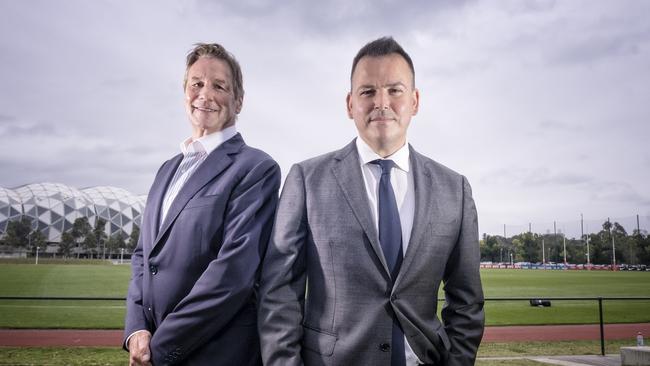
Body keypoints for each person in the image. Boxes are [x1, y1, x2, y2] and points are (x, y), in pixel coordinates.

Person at [258, 37, 484, 366]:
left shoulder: (455, 190)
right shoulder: (307, 180)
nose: (381, 102)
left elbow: (467, 302)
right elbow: (279, 294)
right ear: (350, 104)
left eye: (395, 90)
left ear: (415, 100)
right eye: (368, 92)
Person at [124, 43, 280, 366]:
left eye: (219, 86)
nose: (205, 95)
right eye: (196, 84)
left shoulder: (256, 169)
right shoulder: (167, 169)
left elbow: (233, 275)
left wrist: (161, 347)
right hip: (152, 347)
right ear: (185, 93)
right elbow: (143, 255)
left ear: (238, 100)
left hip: (215, 355)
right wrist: (136, 329)